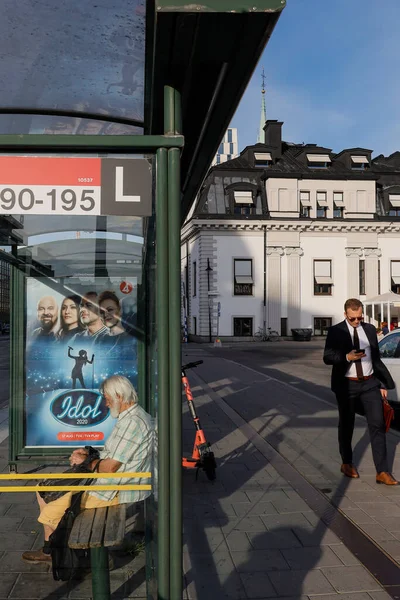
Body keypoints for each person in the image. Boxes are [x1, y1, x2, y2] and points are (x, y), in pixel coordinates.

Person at [22, 375, 153, 564]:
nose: (106, 405)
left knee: (50, 509)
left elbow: (110, 468)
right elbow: (114, 454)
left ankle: (55, 553)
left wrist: (84, 461)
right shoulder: (132, 416)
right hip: (111, 482)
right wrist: (89, 453)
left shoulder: (133, 424)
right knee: (42, 488)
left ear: (118, 396)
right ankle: (53, 546)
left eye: (108, 399)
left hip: (113, 489)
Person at [323, 298, 397, 485]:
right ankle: (347, 462)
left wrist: (382, 384)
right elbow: (328, 357)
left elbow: (376, 359)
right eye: (353, 318)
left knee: (378, 424)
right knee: (347, 424)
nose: (357, 321)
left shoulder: (370, 330)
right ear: (346, 314)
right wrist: (347, 357)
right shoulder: (336, 331)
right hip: (347, 385)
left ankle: (382, 471)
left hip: (370, 383)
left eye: (359, 317)